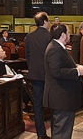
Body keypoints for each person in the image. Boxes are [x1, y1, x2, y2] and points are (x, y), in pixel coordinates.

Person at [44, 23, 83, 139]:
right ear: (63, 35)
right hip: (61, 96)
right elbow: (56, 72)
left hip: (64, 95)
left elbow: (62, 65)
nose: (69, 35)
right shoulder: (54, 49)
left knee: (63, 129)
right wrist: (77, 71)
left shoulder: (59, 47)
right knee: (61, 131)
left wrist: (76, 66)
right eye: (68, 32)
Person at [25, 11, 51, 139]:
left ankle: (41, 134)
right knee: (53, 103)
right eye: (49, 21)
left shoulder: (29, 36)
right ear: (45, 21)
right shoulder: (49, 36)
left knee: (38, 105)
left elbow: (27, 56)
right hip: (49, 74)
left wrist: (32, 68)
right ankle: (56, 132)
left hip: (35, 74)